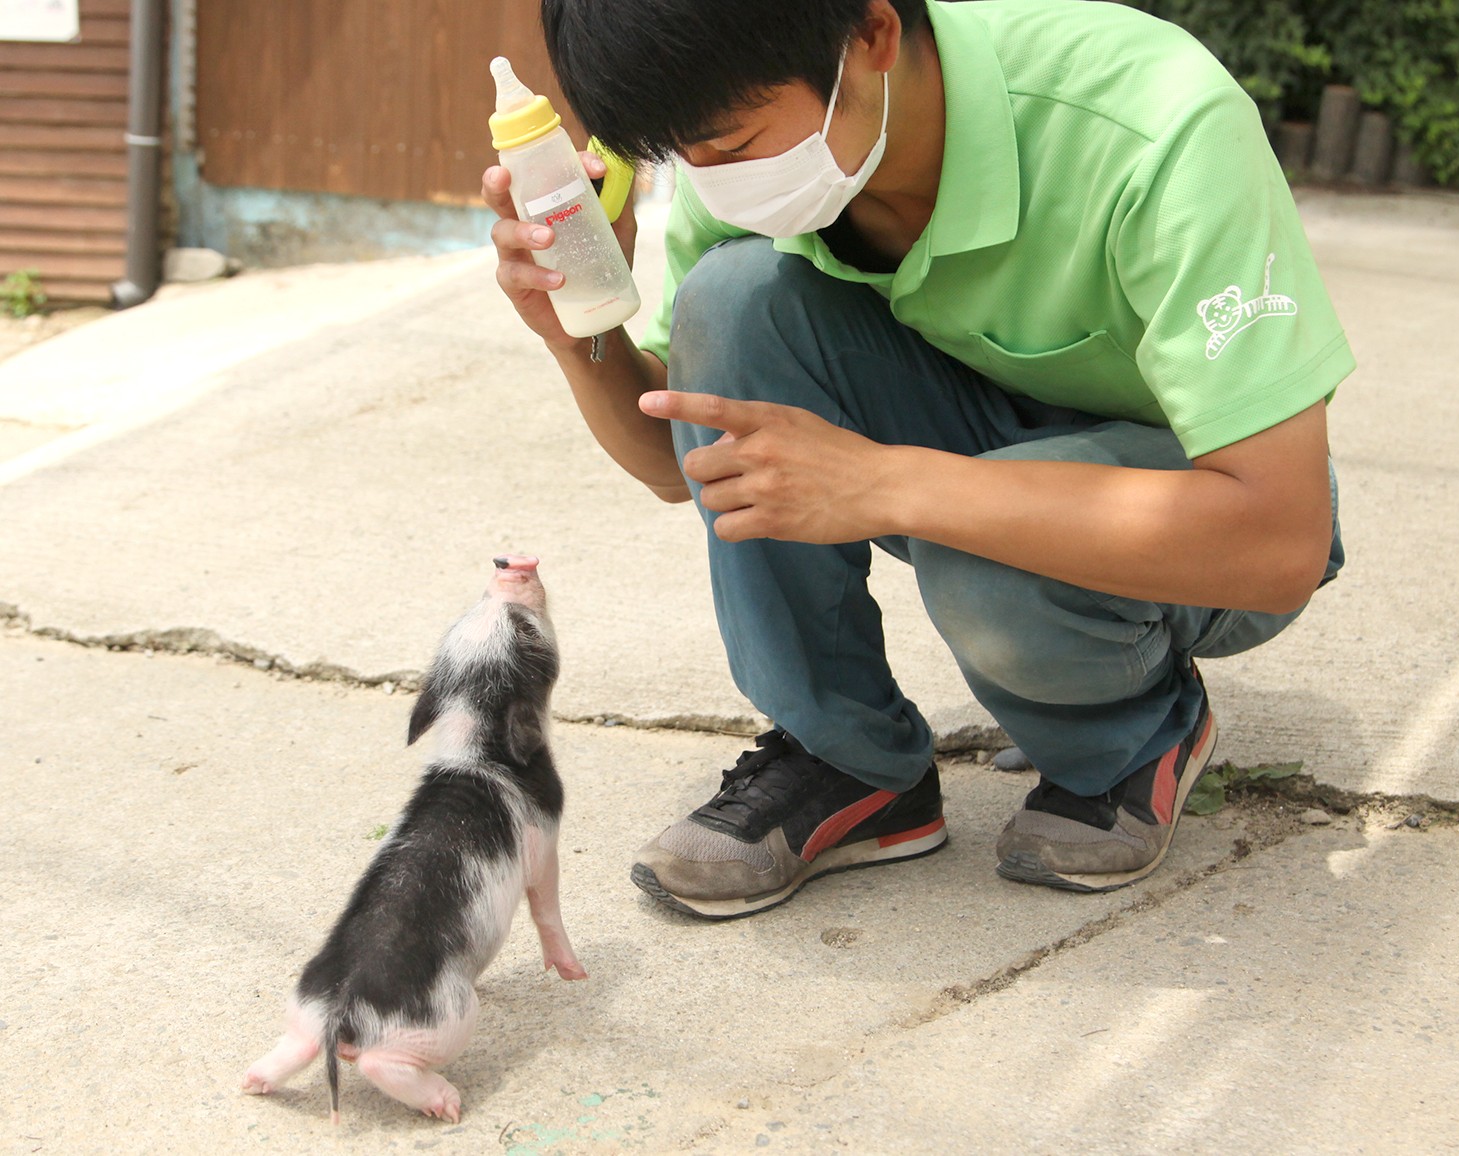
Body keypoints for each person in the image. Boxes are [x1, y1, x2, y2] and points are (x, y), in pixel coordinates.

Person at [483, 0, 1351, 920]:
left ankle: (1132, 737)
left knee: (989, 565)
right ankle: (847, 756)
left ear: (872, 36)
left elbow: (1281, 538)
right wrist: (582, 331)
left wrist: (889, 482)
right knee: (732, 301)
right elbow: (687, 463)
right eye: (683, 157)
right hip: (980, 457)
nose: (711, 180)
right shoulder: (735, 156)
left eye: (732, 144)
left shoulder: (1154, 122)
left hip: (1197, 521)